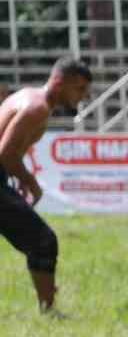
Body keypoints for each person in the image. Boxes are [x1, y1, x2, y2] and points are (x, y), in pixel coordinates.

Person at [0, 57, 92, 312]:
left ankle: (47, 303)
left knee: (39, 241)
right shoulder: (37, 106)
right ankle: (48, 310)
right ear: (60, 82)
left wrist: (18, 178)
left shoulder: (29, 97)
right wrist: (32, 183)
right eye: (79, 88)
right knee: (43, 240)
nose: (82, 96)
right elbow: (5, 153)